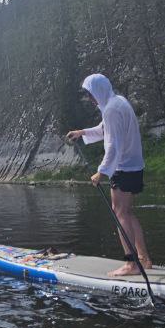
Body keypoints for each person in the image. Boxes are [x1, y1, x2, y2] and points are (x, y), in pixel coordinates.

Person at [65, 73, 151, 277]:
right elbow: (105, 130)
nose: (90, 99)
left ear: (99, 91)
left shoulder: (112, 109)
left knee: (119, 213)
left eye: (91, 94)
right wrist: (82, 132)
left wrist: (101, 173)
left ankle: (131, 265)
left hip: (122, 168)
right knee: (128, 212)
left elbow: (113, 146)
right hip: (135, 167)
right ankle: (144, 259)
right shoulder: (118, 102)